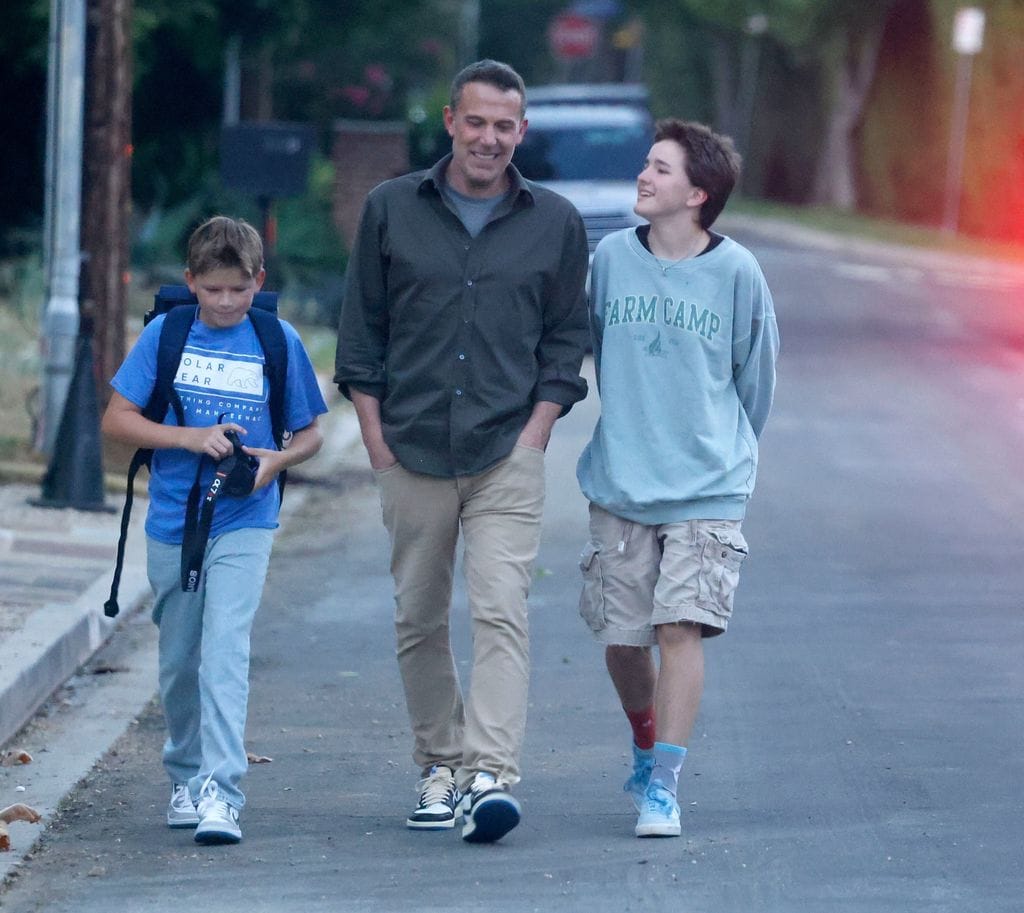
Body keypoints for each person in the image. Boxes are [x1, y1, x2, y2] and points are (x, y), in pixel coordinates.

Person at [334, 59, 589, 843]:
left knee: (500, 609)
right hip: (409, 445)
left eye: (503, 126)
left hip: (505, 447)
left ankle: (490, 773)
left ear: (522, 132)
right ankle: (440, 764)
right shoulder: (390, 209)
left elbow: (566, 340)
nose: (488, 138)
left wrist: (537, 430)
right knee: (417, 615)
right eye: (475, 122)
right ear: (450, 121)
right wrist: (374, 439)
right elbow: (361, 332)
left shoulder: (555, 221)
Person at [576, 119, 779, 838]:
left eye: (658, 169)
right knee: (623, 640)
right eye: (646, 164)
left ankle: (663, 783)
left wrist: (720, 455)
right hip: (622, 481)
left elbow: (755, 381)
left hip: (708, 487)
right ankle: (643, 736)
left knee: (678, 627)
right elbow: (590, 346)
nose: (643, 176)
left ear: (696, 193)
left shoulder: (737, 273)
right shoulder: (609, 260)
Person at [102, 216, 328, 845]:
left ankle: (220, 792)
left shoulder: (276, 341)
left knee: (225, 650)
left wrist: (273, 464)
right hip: (174, 517)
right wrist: (188, 438)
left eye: (239, 289)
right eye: (214, 289)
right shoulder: (165, 336)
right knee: (179, 660)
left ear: (259, 281)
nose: (227, 302)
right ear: (191, 283)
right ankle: (184, 771)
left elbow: (310, 433)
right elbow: (117, 420)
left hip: (244, 517)